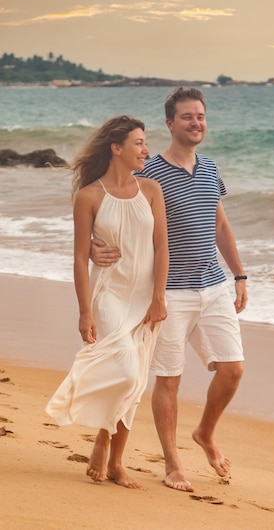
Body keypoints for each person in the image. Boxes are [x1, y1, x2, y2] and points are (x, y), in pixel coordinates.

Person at [91, 88, 248, 492]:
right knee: (169, 380)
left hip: (212, 285)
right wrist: (93, 243)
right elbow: (110, 204)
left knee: (232, 370)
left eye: (200, 116)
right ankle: (173, 463)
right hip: (168, 292)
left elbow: (220, 225)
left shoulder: (211, 168)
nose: (196, 123)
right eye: (186, 117)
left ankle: (205, 434)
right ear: (170, 124)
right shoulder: (149, 172)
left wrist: (240, 275)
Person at [46, 115, 168, 489]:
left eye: (145, 143)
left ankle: (115, 461)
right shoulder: (90, 196)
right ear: (117, 149)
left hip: (147, 297)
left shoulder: (151, 190)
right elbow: (80, 258)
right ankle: (102, 437)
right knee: (128, 372)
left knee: (135, 382)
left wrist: (159, 296)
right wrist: (84, 311)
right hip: (110, 294)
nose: (145, 150)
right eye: (138, 143)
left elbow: (162, 247)